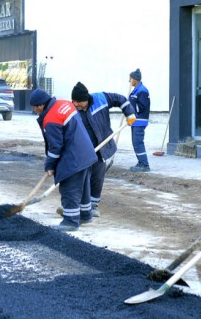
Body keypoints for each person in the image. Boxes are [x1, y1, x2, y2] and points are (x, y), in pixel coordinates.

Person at [29, 88, 97, 232]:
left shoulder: (51, 119)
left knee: (69, 187)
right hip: (86, 152)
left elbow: (55, 147)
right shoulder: (64, 104)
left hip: (73, 157)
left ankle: (71, 221)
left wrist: (50, 165)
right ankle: (85, 215)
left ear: (41, 105)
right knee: (83, 186)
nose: (34, 109)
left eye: (35, 106)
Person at [69, 81, 136, 217]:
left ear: (86, 98)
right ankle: (78, 205)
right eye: (74, 101)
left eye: (78, 101)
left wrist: (130, 113)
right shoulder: (73, 109)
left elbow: (121, 99)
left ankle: (93, 206)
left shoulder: (101, 99)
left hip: (101, 147)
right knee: (82, 177)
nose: (75, 104)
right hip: (83, 150)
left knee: (97, 176)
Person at [127, 69, 150, 172]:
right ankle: (140, 162)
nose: (129, 81)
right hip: (135, 121)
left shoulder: (142, 91)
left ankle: (144, 164)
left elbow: (142, 107)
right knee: (135, 142)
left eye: (130, 78)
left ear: (135, 79)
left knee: (138, 142)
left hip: (140, 121)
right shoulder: (136, 90)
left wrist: (131, 107)